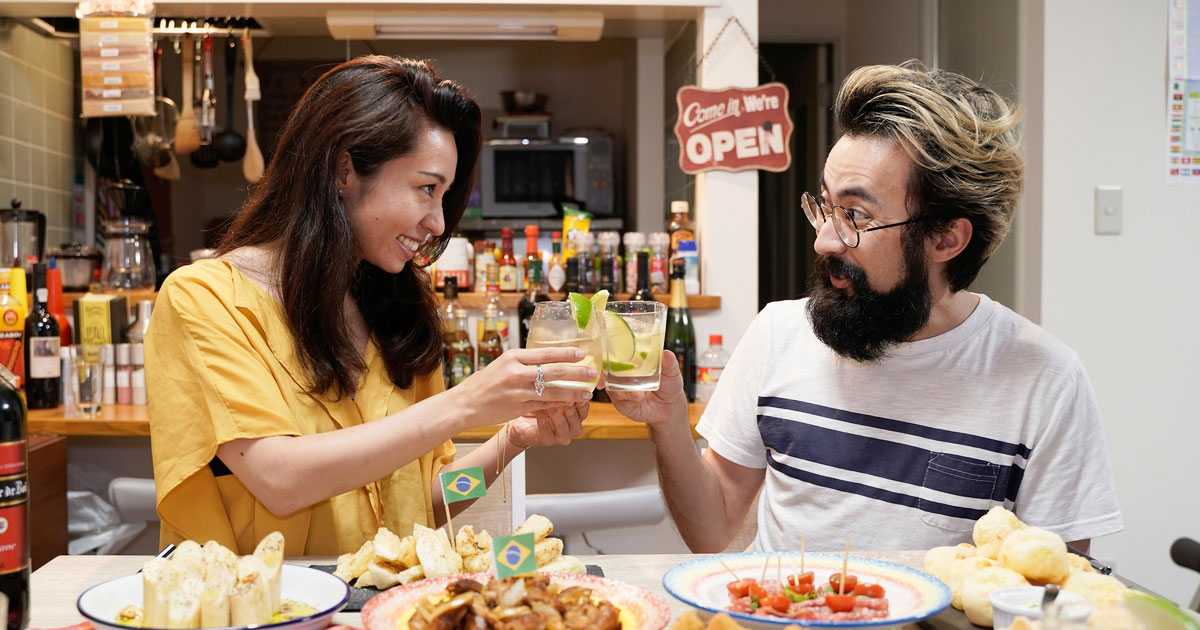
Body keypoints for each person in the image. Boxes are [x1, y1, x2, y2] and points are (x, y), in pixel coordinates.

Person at [611, 61, 1123, 553]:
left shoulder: (1044, 380)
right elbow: (713, 530)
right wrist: (668, 421)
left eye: (854, 214)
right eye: (826, 208)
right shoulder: (778, 334)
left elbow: (1054, 584)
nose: (824, 241)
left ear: (946, 238)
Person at [146, 56, 595, 556]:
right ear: (345, 170)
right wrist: (467, 402)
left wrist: (512, 439)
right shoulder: (205, 298)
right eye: (427, 188)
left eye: (444, 196)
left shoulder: (395, 311)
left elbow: (434, 498)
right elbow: (279, 479)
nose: (438, 223)